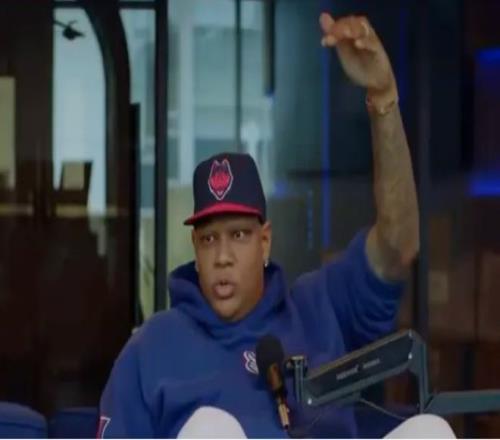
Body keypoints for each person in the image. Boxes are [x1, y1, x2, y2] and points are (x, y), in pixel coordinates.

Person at [97, 11, 420, 438]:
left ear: (265, 242)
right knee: (210, 428)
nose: (223, 256)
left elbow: (398, 247)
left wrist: (383, 97)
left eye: (238, 235)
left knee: (429, 429)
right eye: (209, 239)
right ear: (195, 248)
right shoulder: (152, 347)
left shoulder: (318, 307)